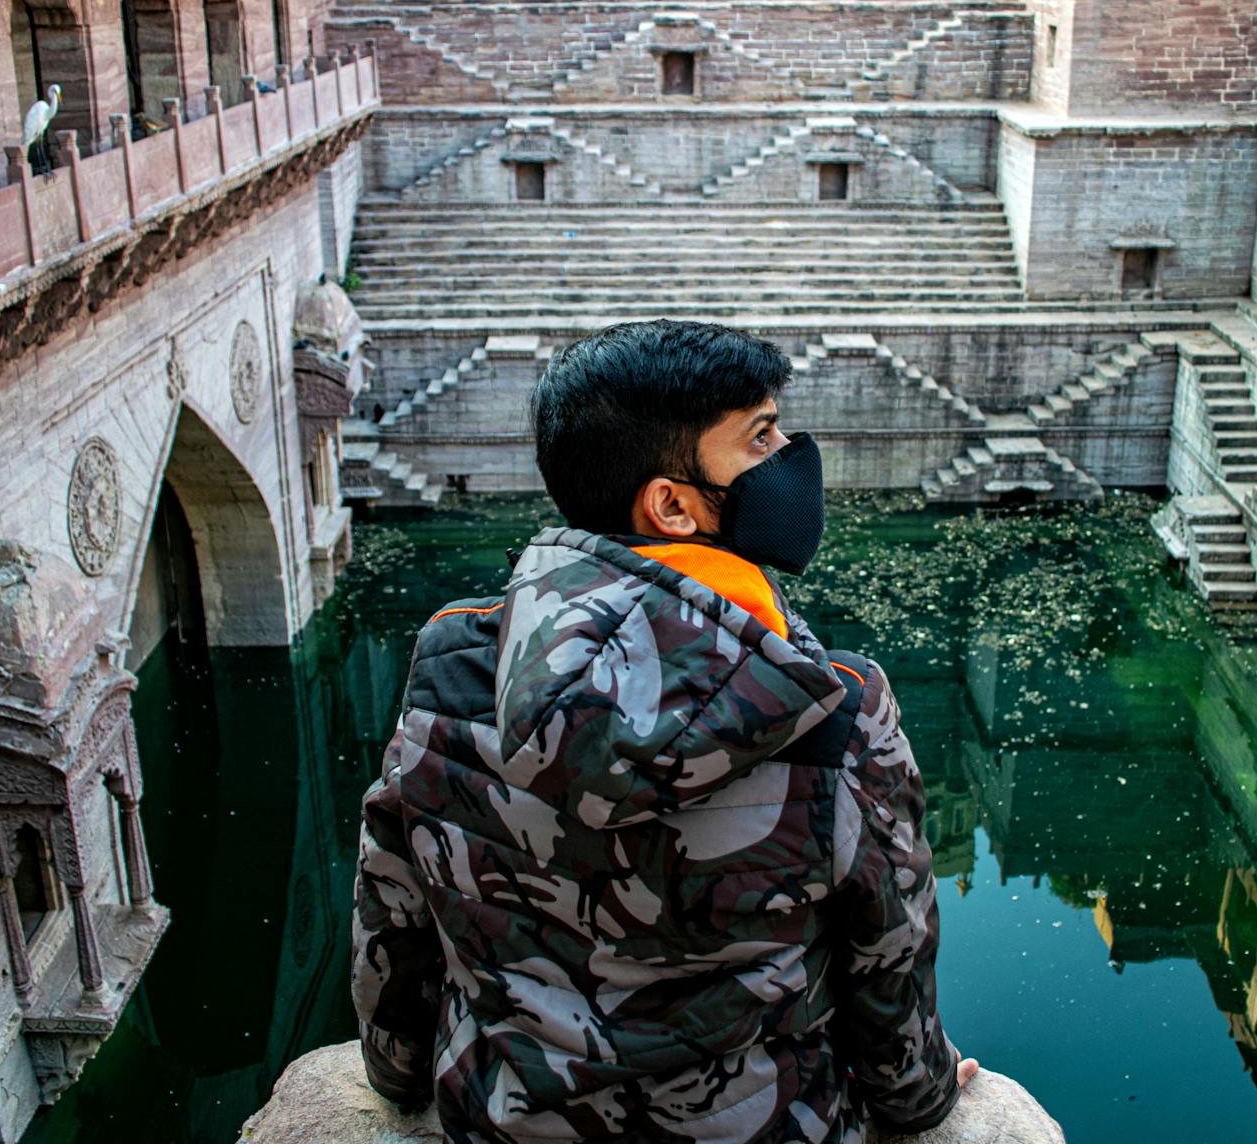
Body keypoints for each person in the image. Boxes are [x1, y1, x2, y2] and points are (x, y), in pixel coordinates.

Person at [350, 319, 975, 1142]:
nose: (790, 454)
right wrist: (919, 1098)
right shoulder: (836, 706)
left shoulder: (450, 664)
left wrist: (397, 1077)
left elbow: (393, 909)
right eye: (760, 437)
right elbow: (887, 952)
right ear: (672, 505)